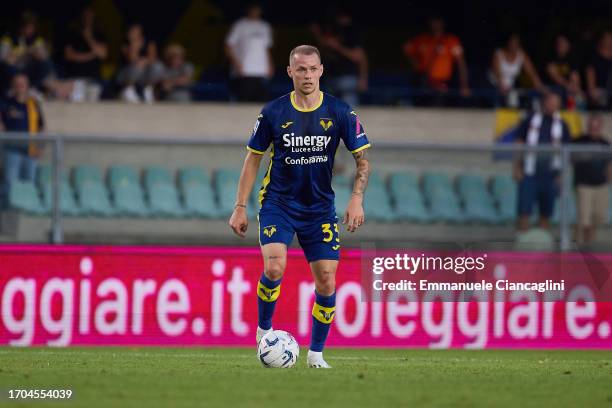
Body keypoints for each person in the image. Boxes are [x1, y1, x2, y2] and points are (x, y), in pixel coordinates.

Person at [228, 45, 371, 368]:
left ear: (321, 71)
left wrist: (356, 198)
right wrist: (240, 206)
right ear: (289, 72)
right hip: (278, 202)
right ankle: (264, 330)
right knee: (274, 267)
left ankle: (316, 355)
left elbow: (363, 161)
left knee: (326, 280)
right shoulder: (273, 113)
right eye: (301, 70)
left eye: (312, 69)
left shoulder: (340, 112)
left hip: (319, 208)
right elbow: (253, 160)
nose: (307, 75)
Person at [514, 93, 571, 231]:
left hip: (550, 175)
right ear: (544, 102)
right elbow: (519, 143)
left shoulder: (562, 125)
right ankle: (523, 245)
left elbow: (566, 152)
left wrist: (561, 175)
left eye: (556, 102)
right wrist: (516, 166)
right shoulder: (530, 120)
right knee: (524, 211)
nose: (553, 105)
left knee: (546, 213)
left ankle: (541, 245)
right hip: (530, 173)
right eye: (551, 101)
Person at [403, 16, 470, 104]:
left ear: (442, 23)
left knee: (440, 109)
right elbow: (407, 48)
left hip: (443, 84)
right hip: (425, 83)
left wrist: (464, 85)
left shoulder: (451, 40)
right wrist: (417, 66)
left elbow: (461, 63)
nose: (435, 24)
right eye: (433, 21)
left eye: (437, 21)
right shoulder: (422, 39)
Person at [0, 74, 44, 207]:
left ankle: (26, 209)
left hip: (31, 149)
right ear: (13, 86)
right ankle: (6, 211)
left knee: (29, 181)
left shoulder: (33, 104)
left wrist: (39, 147)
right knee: (10, 181)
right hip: (12, 149)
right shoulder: (6, 103)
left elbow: (41, 127)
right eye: (17, 84)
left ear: (27, 86)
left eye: (23, 84)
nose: (20, 86)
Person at [311, 9, 368, 106]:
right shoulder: (333, 30)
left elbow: (358, 57)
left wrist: (363, 78)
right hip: (330, 78)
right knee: (330, 114)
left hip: (347, 79)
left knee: (348, 113)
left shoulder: (352, 33)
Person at [572, 114, 610, 246]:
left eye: (596, 127)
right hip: (584, 184)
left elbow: (608, 164)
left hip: (601, 185)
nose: (594, 129)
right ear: (588, 127)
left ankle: (588, 240)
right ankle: (581, 246)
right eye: (591, 126)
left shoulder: (605, 143)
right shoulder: (578, 142)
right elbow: (570, 160)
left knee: (599, 216)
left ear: (600, 127)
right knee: (584, 219)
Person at [225, 4, 273, 102]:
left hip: (261, 71)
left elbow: (267, 49)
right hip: (245, 71)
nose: (255, 11)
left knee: (261, 104)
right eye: (253, 8)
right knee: (244, 103)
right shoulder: (240, 25)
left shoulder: (265, 26)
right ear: (249, 9)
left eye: (258, 9)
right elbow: (228, 47)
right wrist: (236, 64)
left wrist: (270, 65)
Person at [63, 6, 108, 102]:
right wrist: (91, 55)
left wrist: (89, 38)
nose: (87, 18)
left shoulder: (99, 34)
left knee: (92, 104)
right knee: (77, 101)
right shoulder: (73, 33)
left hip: (94, 79)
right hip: (75, 79)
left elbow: (102, 54)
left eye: (90, 16)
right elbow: (69, 56)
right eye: (85, 16)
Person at [490, 34, 544, 108]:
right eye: (511, 43)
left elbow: (531, 72)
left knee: (515, 98)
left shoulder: (521, 55)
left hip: (511, 85)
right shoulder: (498, 54)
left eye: (516, 43)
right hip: (494, 83)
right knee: (504, 96)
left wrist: (538, 84)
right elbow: (497, 73)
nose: (513, 45)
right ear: (508, 43)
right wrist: (501, 85)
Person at [116, 23, 164, 103]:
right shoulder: (125, 44)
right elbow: (131, 59)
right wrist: (133, 44)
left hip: (143, 74)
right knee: (137, 65)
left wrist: (144, 61)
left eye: (135, 30)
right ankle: (128, 90)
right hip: (125, 75)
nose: (133, 32)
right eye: (131, 30)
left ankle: (148, 90)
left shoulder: (149, 42)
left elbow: (153, 58)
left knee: (158, 66)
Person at [546, 34, 583, 109]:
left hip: (568, 88)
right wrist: (567, 85)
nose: (561, 45)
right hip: (553, 87)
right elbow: (554, 76)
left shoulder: (572, 59)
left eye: (563, 43)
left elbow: (575, 76)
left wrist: (576, 87)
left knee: (579, 95)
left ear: (568, 45)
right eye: (559, 43)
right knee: (560, 91)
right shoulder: (550, 57)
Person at [586, 31, 612, 109]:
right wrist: (592, 89)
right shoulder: (594, 57)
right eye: (607, 39)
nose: (609, 41)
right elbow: (590, 72)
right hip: (600, 90)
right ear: (601, 40)